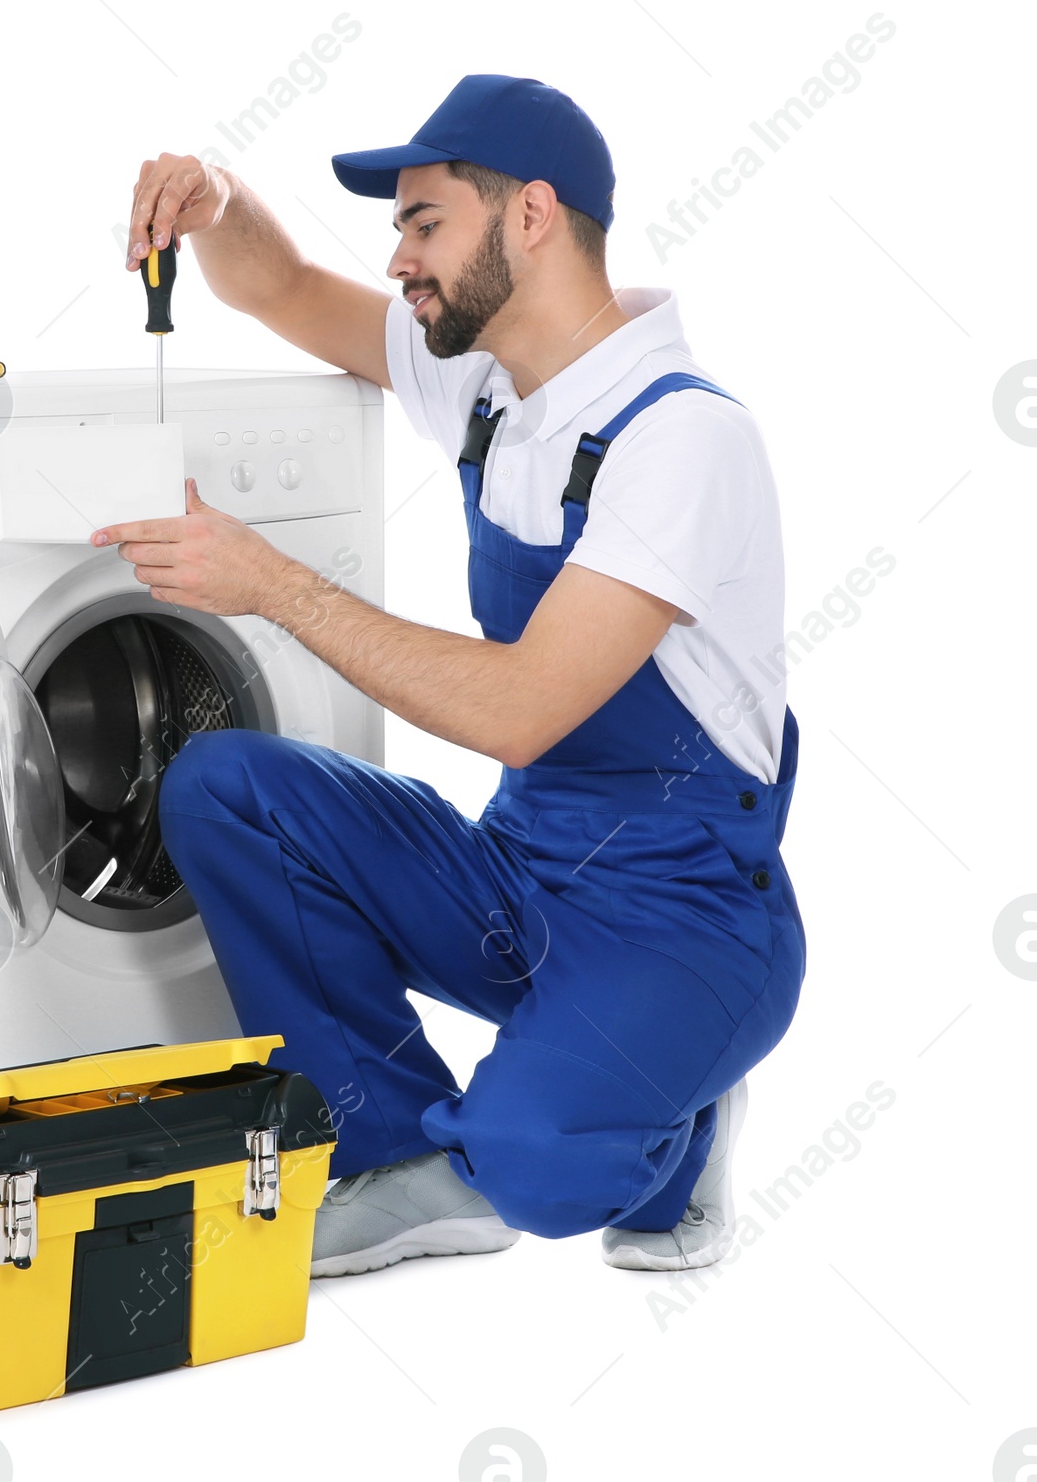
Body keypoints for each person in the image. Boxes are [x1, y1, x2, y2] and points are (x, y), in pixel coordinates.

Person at [90, 74, 805, 1279]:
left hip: (681, 918)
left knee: (533, 1161)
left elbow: (524, 707)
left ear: (530, 215)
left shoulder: (679, 436)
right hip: (519, 881)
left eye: (424, 225)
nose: (400, 259)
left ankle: (676, 1119)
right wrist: (215, 199)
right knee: (222, 788)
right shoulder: (485, 383)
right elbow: (275, 286)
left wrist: (271, 583)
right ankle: (390, 1155)